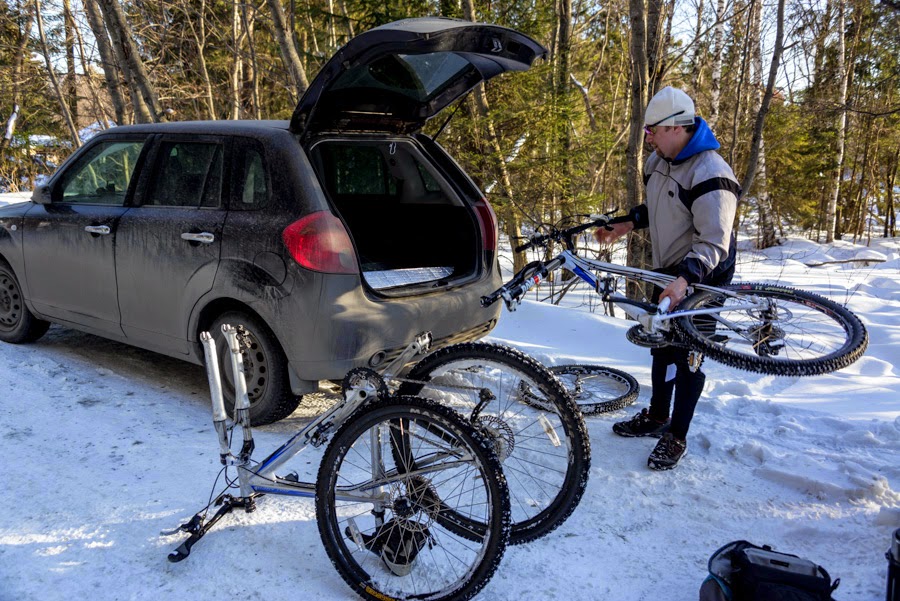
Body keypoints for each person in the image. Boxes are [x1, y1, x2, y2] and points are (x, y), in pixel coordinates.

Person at [596, 86, 740, 471]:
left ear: (676, 128)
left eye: (652, 131)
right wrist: (627, 223)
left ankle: (676, 436)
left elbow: (714, 241)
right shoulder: (656, 161)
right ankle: (658, 416)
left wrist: (685, 282)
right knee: (661, 343)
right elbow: (662, 206)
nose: (647, 138)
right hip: (667, 266)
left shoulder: (713, 174)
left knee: (688, 352)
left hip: (704, 274)